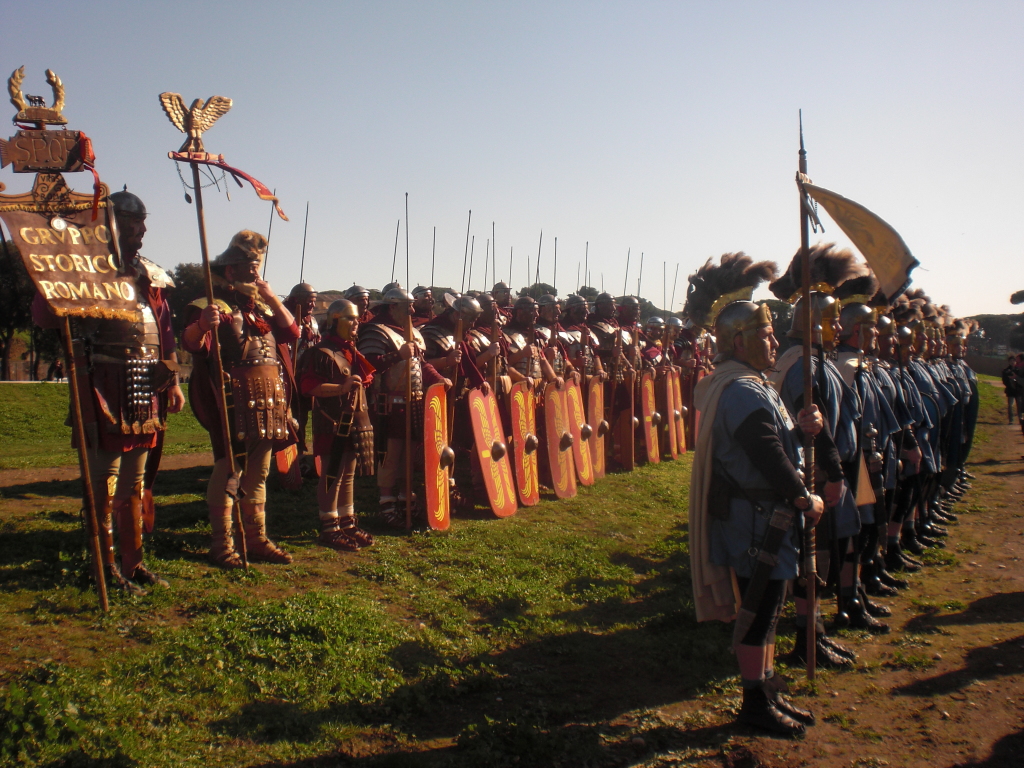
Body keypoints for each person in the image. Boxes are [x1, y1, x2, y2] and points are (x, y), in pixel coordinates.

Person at [32, 189, 185, 594]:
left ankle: (133, 563)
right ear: (113, 223)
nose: (144, 229)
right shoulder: (86, 267)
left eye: (143, 220)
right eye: (135, 221)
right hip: (102, 381)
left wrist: (171, 378)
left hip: (144, 384)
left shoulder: (150, 275)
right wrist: (57, 276)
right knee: (104, 482)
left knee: (135, 482)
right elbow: (46, 316)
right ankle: (103, 565)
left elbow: (164, 329)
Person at [690, 297, 824, 736]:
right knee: (759, 610)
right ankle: (752, 702)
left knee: (770, 607)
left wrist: (804, 432)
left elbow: (779, 440)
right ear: (741, 340)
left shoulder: (755, 384)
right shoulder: (742, 390)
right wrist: (803, 497)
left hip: (768, 516)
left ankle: (765, 689)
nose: (773, 340)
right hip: (756, 519)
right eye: (765, 334)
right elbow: (766, 454)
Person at [181, 230, 298, 567]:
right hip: (231, 402)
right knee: (228, 470)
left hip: (268, 402)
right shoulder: (209, 305)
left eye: (257, 267)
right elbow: (190, 343)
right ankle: (222, 543)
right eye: (249, 267)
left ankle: (257, 538)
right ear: (230, 270)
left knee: (259, 474)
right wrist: (203, 325)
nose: (255, 273)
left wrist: (272, 297)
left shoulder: (261, 308)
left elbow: (291, 333)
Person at [357, 287, 449, 526]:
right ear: (392, 307)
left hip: (414, 401)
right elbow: (368, 365)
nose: (411, 310)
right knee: (391, 455)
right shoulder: (375, 331)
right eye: (406, 306)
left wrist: (437, 378)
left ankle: (405, 499)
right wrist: (397, 356)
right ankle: (387, 504)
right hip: (389, 404)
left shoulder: (413, 333)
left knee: (408, 456)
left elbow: (421, 364)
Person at [298, 299, 376, 551]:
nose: (356, 323)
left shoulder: (351, 351)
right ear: (335, 321)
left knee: (349, 473)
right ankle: (329, 525)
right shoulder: (320, 353)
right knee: (333, 473)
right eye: (350, 318)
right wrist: (341, 388)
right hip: (332, 422)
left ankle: (347, 522)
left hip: (355, 421)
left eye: (356, 319)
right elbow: (309, 387)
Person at [1001, 355, 1021, 425]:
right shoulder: (1006, 371)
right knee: (1010, 405)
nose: (1013, 362)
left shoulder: (1019, 370)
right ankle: (1011, 420)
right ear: (1009, 362)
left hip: (1018, 391)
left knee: (1019, 406)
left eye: (1014, 361)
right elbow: (1004, 380)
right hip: (1010, 390)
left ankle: (1020, 419)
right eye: (1011, 361)